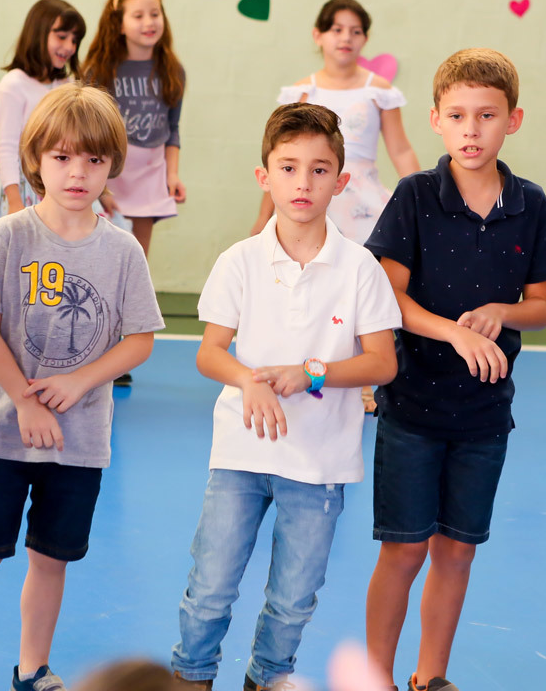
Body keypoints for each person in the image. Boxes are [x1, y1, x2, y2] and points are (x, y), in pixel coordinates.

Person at [0, 83, 163, 691]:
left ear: (111, 164)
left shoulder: (123, 251)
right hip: (3, 434)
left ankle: (32, 669)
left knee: (50, 561)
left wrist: (80, 381)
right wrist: (25, 402)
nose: (77, 173)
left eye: (93, 159)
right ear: (35, 160)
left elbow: (139, 339)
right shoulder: (6, 235)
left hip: (79, 444)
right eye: (62, 157)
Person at [171, 102, 401, 691]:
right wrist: (248, 379)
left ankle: (268, 678)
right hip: (240, 454)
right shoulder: (239, 260)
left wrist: (312, 373)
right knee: (210, 588)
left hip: (320, 463)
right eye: (289, 168)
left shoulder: (361, 268)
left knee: (294, 598)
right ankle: (191, 677)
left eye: (319, 170)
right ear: (264, 176)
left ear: (340, 182)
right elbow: (210, 352)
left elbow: (383, 362)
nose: (303, 183)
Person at [363, 48, 546, 691]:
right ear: (435, 120)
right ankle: (375, 678)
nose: (472, 129)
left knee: (456, 551)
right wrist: (451, 329)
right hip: (411, 408)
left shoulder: (530, 203)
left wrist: (503, 311)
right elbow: (389, 298)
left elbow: (541, 308)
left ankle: (431, 676)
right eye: (457, 115)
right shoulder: (414, 195)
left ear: (514, 120)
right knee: (404, 550)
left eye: (487, 115)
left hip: (484, 415)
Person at [252, 0, 419, 246]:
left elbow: (401, 151)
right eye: (337, 30)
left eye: (356, 31)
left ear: (365, 38)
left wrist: (422, 201)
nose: (346, 38)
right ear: (318, 35)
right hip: (308, 191)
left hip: (362, 200)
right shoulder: (301, 92)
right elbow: (278, 157)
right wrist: (263, 217)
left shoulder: (379, 91)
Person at [82, 0, 186, 255]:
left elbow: (172, 129)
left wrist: (172, 174)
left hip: (150, 178)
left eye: (155, 13)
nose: (149, 22)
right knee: (99, 255)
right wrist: (100, 187)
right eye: (138, 16)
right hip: (110, 177)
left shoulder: (172, 71)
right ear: (119, 24)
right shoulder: (99, 71)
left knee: (137, 257)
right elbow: (86, 135)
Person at [0, 0, 87, 220]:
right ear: (38, 33)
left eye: (74, 40)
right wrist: (14, 202)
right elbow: (7, 148)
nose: (69, 47)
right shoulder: (14, 84)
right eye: (62, 37)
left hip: (60, 182)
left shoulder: (68, 85)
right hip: (22, 187)